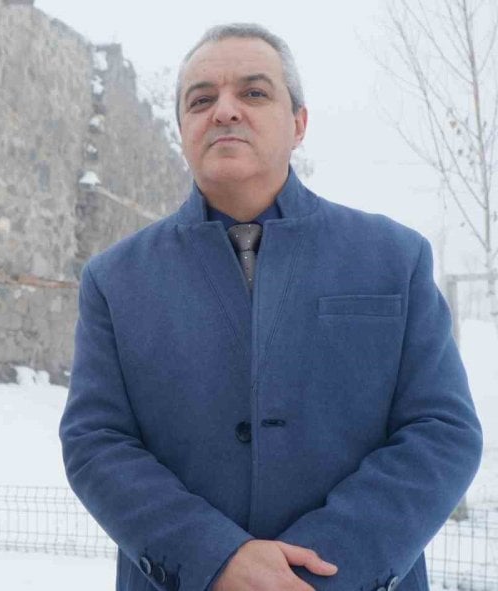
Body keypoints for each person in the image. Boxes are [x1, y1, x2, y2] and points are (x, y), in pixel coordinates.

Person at [60, 23, 483, 591]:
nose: (225, 111)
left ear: (299, 123)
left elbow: (442, 430)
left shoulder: (393, 258)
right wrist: (215, 559)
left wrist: (319, 568)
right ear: (183, 128)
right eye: (201, 99)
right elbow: (96, 442)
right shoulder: (115, 278)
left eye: (254, 93)